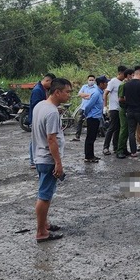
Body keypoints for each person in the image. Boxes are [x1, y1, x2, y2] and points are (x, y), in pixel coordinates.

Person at [32, 77, 72, 243]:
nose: (69, 95)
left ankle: (45, 224)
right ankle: (41, 232)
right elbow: (51, 140)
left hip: (40, 157)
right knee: (44, 196)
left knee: (44, 193)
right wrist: (58, 162)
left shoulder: (41, 105)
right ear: (57, 92)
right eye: (67, 92)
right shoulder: (51, 112)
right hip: (47, 159)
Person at [27, 73, 55, 168]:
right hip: (36, 118)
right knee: (34, 139)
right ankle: (32, 160)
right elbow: (36, 105)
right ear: (47, 81)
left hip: (38, 118)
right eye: (51, 84)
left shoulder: (42, 89)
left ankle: (34, 159)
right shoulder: (37, 90)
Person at [82, 76, 108, 162]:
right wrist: (86, 114)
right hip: (92, 117)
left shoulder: (100, 92)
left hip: (96, 117)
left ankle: (91, 155)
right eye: (105, 83)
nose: (107, 84)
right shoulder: (96, 93)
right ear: (101, 84)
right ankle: (88, 156)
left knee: (92, 137)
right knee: (90, 137)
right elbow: (88, 106)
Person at [103, 66, 127, 156]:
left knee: (119, 128)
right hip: (113, 108)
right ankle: (105, 147)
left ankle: (116, 147)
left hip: (121, 108)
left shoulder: (123, 82)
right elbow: (105, 93)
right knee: (112, 127)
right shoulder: (113, 81)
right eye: (124, 74)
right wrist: (105, 106)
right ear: (120, 73)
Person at [72, 74, 97, 142]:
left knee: (91, 122)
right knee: (79, 121)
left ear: (94, 80)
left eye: (92, 80)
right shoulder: (84, 86)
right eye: (90, 80)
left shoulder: (96, 88)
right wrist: (88, 95)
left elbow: (92, 96)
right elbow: (80, 94)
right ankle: (77, 136)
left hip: (92, 108)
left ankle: (91, 136)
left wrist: (85, 95)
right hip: (83, 107)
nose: (91, 81)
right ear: (87, 80)